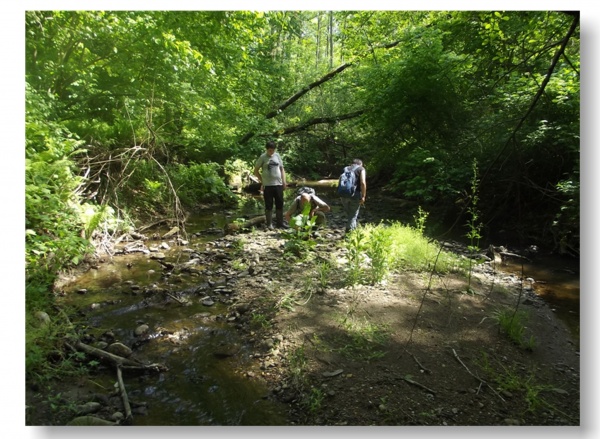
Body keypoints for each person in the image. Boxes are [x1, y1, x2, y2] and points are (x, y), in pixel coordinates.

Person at [253, 140, 287, 229]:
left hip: (278, 184)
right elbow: (255, 171)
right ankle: (269, 224)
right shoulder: (262, 157)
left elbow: (282, 169)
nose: (271, 152)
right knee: (269, 204)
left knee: (280, 203)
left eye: (273, 150)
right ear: (267, 149)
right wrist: (262, 181)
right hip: (268, 185)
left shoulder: (277, 156)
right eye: (270, 150)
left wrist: (284, 181)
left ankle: (280, 223)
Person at [340, 158, 367, 233]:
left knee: (350, 214)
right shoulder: (361, 169)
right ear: (360, 164)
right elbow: (363, 183)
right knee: (353, 215)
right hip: (355, 194)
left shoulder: (345, 169)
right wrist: (363, 196)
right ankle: (349, 232)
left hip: (343, 194)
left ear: (352, 163)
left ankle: (353, 230)